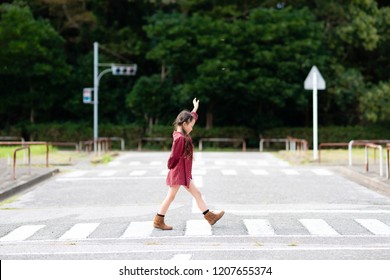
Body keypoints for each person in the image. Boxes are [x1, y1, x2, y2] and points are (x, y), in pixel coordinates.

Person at [153, 98, 225, 230]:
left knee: (195, 194)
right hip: (179, 173)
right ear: (185, 123)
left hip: (182, 172)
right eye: (191, 125)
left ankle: (210, 217)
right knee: (171, 196)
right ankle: (158, 220)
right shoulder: (180, 138)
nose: (192, 128)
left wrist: (195, 109)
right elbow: (174, 156)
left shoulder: (181, 133)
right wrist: (171, 166)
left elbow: (190, 118)